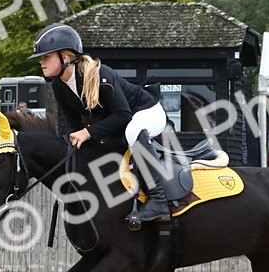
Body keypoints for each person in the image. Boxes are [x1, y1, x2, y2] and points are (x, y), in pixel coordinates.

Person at [31, 23, 170, 226]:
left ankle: (158, 200)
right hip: (121, 125)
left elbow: (123, 115)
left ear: (66, 57)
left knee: (133, 130)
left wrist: (87, 133)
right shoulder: (59, 86)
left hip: (147, 113)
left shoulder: (98, 74)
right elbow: (73, 126)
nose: (41, 62)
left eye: (46, 57)